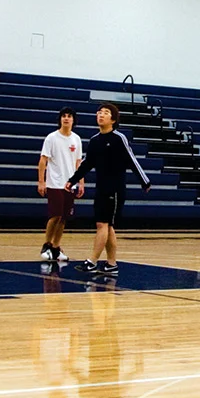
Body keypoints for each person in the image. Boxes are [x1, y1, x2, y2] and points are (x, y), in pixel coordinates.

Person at [63, 101, 151, 278]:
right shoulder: (95, 141)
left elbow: (132, 160)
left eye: (105, 112)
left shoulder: (119, 138)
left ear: (113, 119)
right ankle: (111, 264)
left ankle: (92, 261)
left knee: (102, 224)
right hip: (101, 188)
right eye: (99, 112)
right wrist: (72, 180)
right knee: (108, 226)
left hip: (115, 190)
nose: (100, 115)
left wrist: (144, 181)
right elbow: (87, 164)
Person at [37, 107, 84, 265]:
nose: (66, 118)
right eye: (63, 116)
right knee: (55, 215)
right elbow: (43, 160)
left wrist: (81, 182)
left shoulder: (76, 139)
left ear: (73, 120)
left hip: (70, 184)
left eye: (69, 116)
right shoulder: (52, 138)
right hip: (55, 183)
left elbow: (79, 163)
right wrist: (41, 181)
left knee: (64, 218)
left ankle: (56, 247)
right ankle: (46, 245)